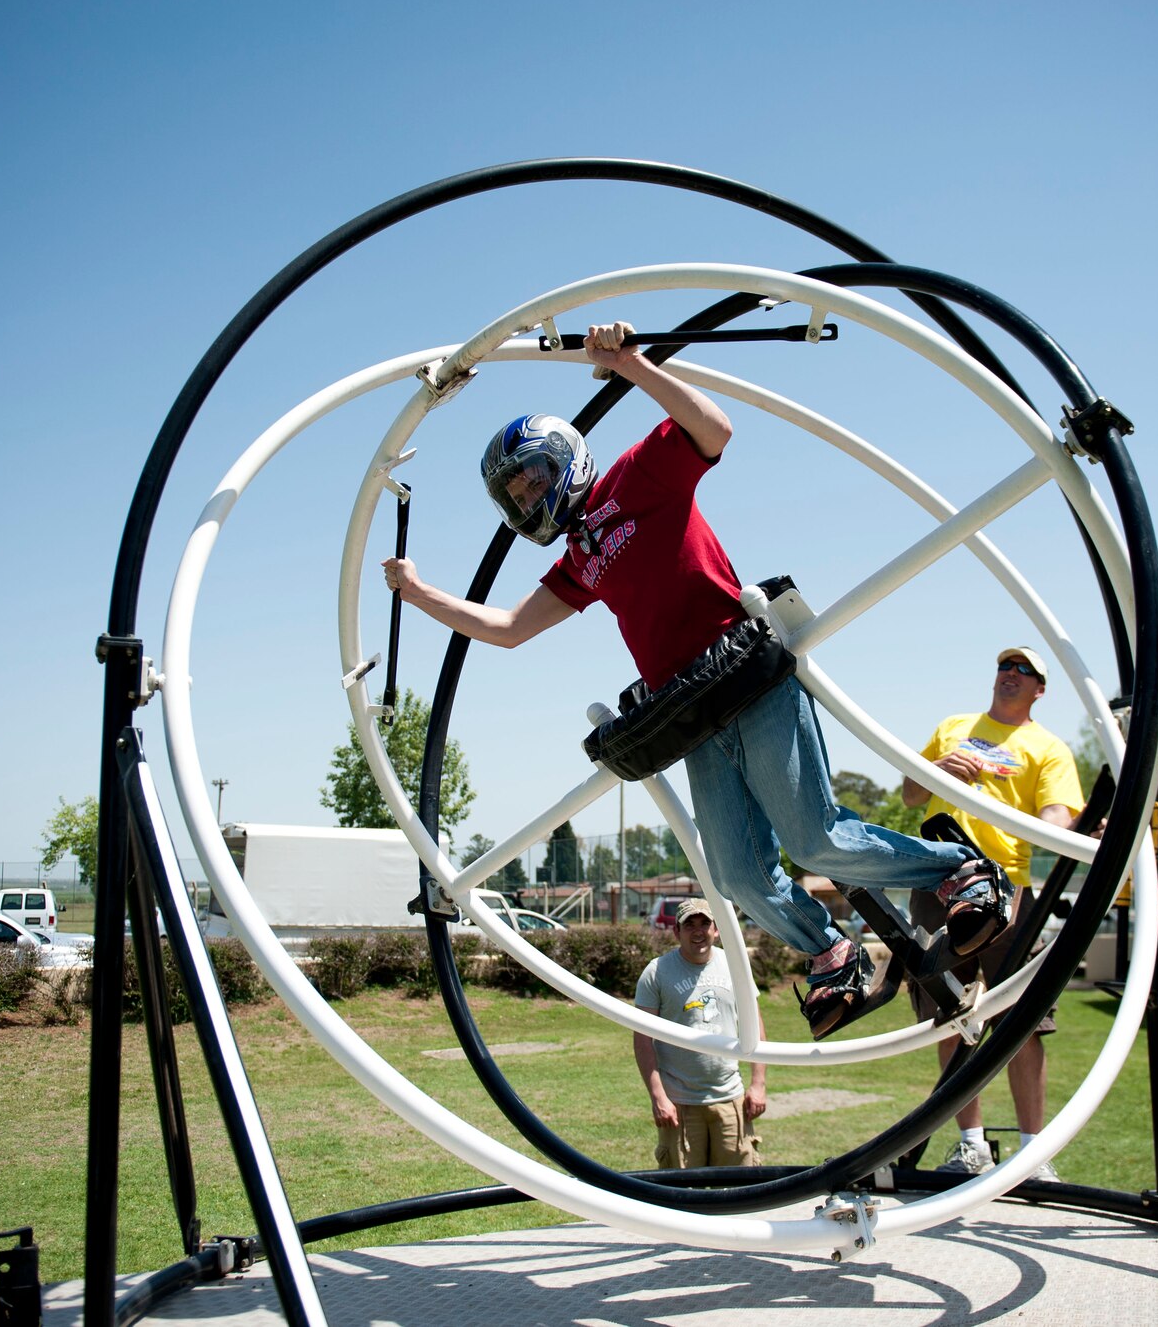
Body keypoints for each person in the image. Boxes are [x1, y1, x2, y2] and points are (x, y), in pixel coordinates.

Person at [383, 322, 1001, 1038]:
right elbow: (510, 628)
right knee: (736, 875)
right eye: (516, 494)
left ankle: (958, 868)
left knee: (816, 840)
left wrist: (630, 364)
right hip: (691, 712)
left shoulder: (638, 472)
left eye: (533, 479)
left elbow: (714, 428)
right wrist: (421, 594)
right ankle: (831, 949)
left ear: (564, 460)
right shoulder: (578, 557)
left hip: (746, 676)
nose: (528, 499)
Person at [899, 646, 1083, 1179]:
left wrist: (1071, 827)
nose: (1011, 674)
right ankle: (971, 1144)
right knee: (949, 1013)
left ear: (1039, 690)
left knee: (1023, 1019)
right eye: (1006, 665)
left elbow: (1056, 817)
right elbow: (913, 794)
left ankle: (1032, 1152)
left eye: (1025, 671)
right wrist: (938, 769)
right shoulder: (954, 726)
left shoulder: (1047, 748)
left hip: (1005, 887)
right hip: (936, 878)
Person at [632, 899, 764, 1168]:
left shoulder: (735, 965)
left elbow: (755, 1024)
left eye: (705, 923)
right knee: (681, 1195)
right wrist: (658, 1097)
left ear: (716, 929)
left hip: (730, 1098)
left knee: (737, 1191)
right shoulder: (657, 972)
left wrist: (758, 1084)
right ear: (676, 932)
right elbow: (642, 1039)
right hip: (679, 1104)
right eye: (689, 924)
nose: (698, 931)